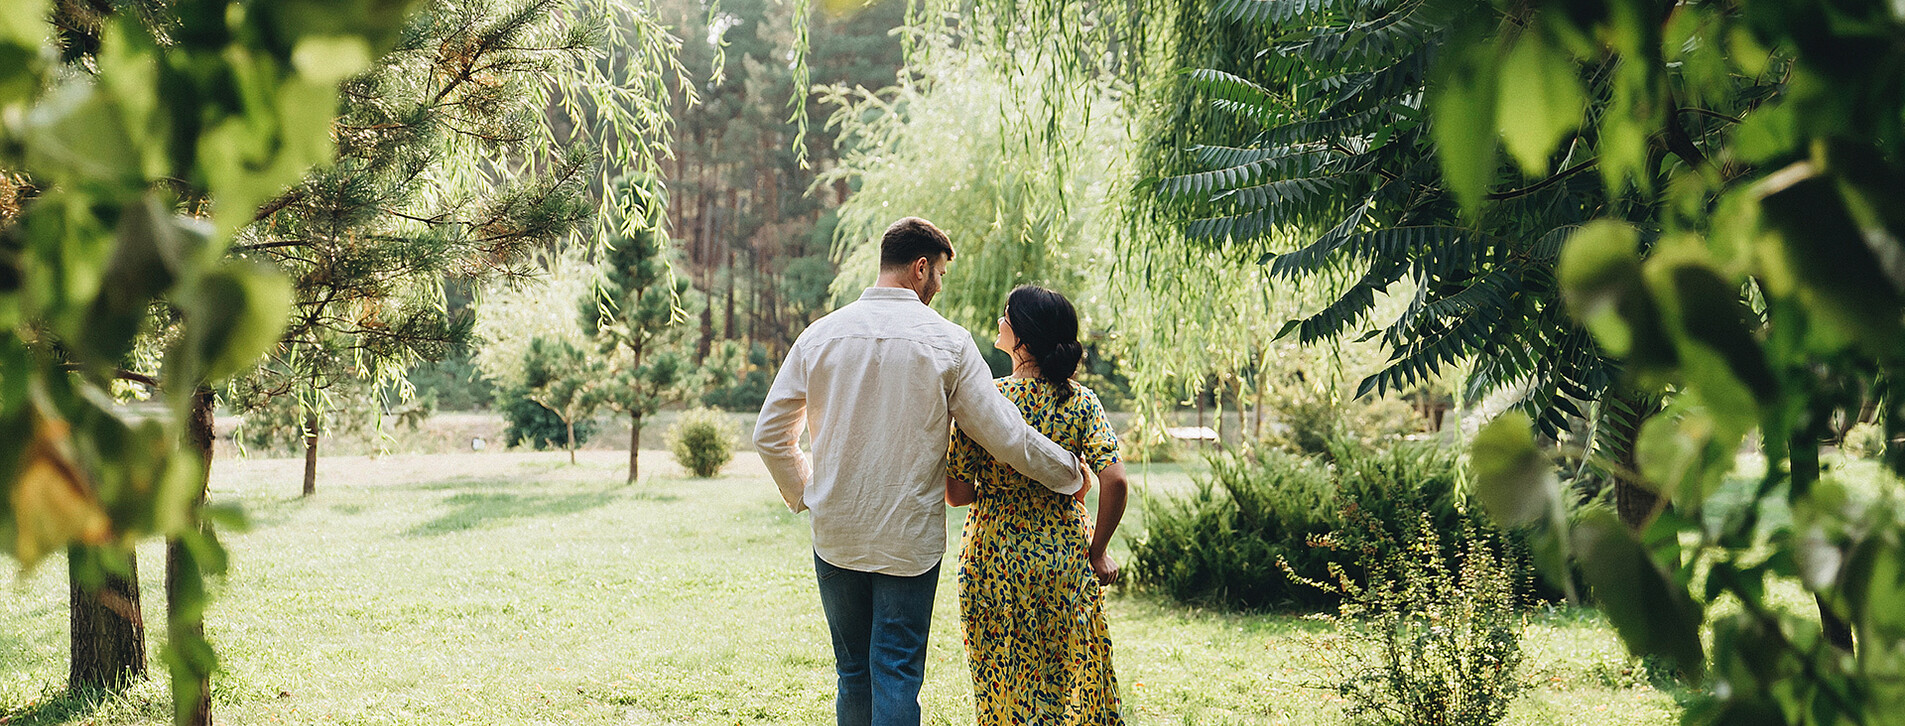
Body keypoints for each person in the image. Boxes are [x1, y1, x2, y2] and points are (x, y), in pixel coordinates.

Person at [753, 217, 1090, 726]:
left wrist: (806, 493)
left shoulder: (820, 335)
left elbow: (769, 435)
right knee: (896, 670)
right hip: (908, 539)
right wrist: (1070, 472)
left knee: (852, 673)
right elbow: (1006, 436)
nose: (938, 286)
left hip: (837, 532)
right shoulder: (949, 344)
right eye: (939, 275)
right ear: (920, 267)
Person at [945, 284, 1128, 726]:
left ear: (1022, 335)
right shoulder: (1080, 401)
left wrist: (995, 487)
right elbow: (1116, 480)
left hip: (993, 558)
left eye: (1006, 315)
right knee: (1061, 677)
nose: (1000, 322)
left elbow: (956, 493)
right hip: (1061, 556)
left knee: (1000, 675)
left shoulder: (983, 400)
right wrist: (1098, 551)